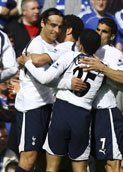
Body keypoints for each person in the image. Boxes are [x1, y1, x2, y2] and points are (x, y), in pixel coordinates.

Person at [18, 28, 104, 172]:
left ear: (80, 44)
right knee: (80, 169)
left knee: (51, 167)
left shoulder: (70, 55)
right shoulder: (102, 69)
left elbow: (45, 79)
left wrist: (27, 62)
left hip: (62, 113)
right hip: (82, 118)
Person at [14, 8, 64, 172]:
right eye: (53, 25)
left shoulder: (57, 46)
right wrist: (67, 83)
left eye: (59, 27)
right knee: (29, 159)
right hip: (32, 107)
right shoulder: (35, 45)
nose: (56, 30)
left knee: (44, 161)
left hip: (48, 106)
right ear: (42, 23)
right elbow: (45, 79)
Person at [80, 18, 123, 172]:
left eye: (105, 31)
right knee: (96, 164)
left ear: (112, 36)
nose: (100, 34)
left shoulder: (113, 53)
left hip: (105, 111)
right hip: (86, 111)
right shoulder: (86, 49)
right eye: (98, 30)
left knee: (111, 163)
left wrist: (102, 68)